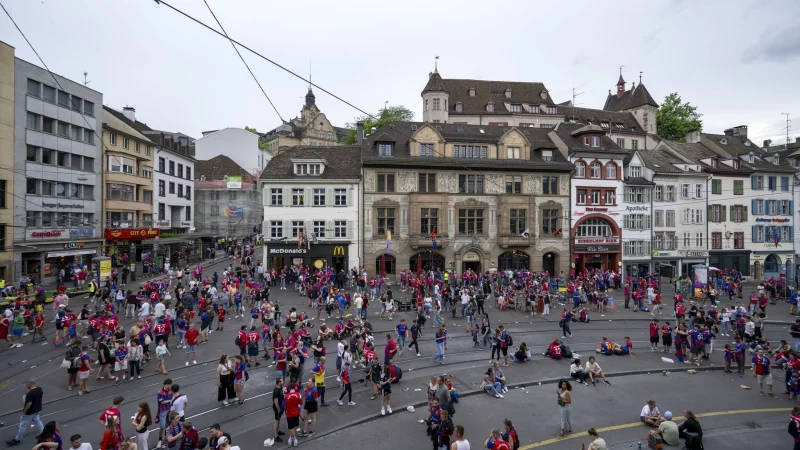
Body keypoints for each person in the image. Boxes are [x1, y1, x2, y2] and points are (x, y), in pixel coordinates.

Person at [6, 379, 44, 446]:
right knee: (38, 421)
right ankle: (44, 434)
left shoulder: (30, 393)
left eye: (27, 384)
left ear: (30, 384)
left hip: (30, 412)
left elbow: (29, 403)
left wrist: (24, 411)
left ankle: (17, 439)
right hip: (37, 409)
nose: (26, 385)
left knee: (22, 425)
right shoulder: (39, 389)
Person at [267, 378, 286, 445]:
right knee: (276, 421)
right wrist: (278, 409)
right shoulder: (276, 391)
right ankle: (276, 436)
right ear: (278, 383)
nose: (283, 381)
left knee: (279, 420)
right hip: (278, 408)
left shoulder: (281, 387)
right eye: (281, 381)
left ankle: (278, 431)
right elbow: (275, 401)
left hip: (281, 407)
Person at [283, 383, 302, 447]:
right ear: (295, 388)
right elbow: (300, 403)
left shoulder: (286, 396)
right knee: (293, 427)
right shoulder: (298, 394)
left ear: (289, 388)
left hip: (289, 414)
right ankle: (291, 438)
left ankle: (294, 439)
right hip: (296, 413)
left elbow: (284, 406)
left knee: (290, 427)